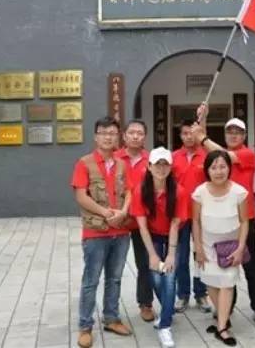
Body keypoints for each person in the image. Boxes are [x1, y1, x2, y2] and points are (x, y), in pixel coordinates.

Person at [192, 104, 255, 322]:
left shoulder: (247, 154)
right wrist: (203, 118)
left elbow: (217, 151)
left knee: (250, 264)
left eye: (238, 132)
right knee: (224, 264)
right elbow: (209, 150)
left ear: (244, 136)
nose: (234, 135)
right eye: (230, 132)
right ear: (225, 135)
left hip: (245, 219)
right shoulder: (218, 157)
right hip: (222, 220)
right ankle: (227, 307)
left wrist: (202, 136)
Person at [71, 117, 134, 348]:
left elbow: (130, 191)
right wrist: (106, 213)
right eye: (103, 132)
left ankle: (111, 318)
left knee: (114, 279)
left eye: (112, 133)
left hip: (121, 231)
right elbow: (81, 196)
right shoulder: (84, 163)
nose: (108, 137)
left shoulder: (122, 164)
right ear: (95, 136)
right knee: (91, 280)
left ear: (118, 137)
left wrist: (123, 212)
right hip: (95, 233)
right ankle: (85, 326)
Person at [130, 147, 188, 348]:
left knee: (169, 276)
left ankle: (165, 325)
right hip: (152, 236)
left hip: (174, 236)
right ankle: (168, 309)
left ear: (171, 167)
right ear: (149, 166)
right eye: (157, 164)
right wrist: (153, 255)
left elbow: (175, 224)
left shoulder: (179, 191)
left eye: (165, 164)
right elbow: (142, 226)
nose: (161, 169)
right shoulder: (141, 190)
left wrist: (170, 254)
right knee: (155, 275)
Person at [192, 151, 249, 347]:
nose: (218, 171)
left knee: (227, 283)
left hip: (230, 247)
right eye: (214, 167)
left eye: (223, 166)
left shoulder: (239, 192)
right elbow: (195, 221)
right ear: (207, 170)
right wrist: (198, 247)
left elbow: (244, 221)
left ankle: (222, 327)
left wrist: (240, 247)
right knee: (211, 282)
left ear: (229, 168)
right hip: (207, 246)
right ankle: (223, 318)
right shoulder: (200, 192)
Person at [115, 120, 155, 322]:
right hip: (118, 220)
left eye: (140, 133)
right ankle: (111, 309)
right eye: (131, 132)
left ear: (144, 137)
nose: (135, 136)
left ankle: (146, 304)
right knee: (115, 267)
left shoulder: (152, 160)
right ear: (124, 136)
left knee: (145, 264)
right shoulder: (114, 158)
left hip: (143, 222)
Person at [171, 119, 212, 314]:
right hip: (180, 216)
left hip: (201, 215)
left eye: (192, 133)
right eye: (185, 133)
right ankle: (183, 294)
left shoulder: (206, 156)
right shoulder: (173, 157)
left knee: (200, 255)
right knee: (180, 257)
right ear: (180, 136)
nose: (189, 137)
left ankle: (201, 293)